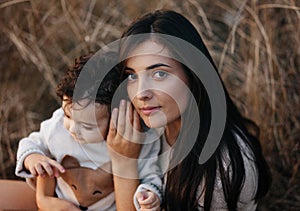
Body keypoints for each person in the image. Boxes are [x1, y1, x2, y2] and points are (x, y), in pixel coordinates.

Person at [107, 9, 272, 211]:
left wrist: (123, 163)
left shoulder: (222, 170)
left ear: (193, 74)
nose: (141, 94)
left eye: (159, 73)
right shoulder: (145, 127)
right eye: (132, 76)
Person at [14, 51, 162, 210]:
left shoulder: (140, 142)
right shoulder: (57, 126)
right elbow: (31, 142)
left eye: (87, 126)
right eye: (68, 116)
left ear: (118, 119)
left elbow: (151, 176)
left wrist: (149, 194)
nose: (73, 129)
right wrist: (33, 158)